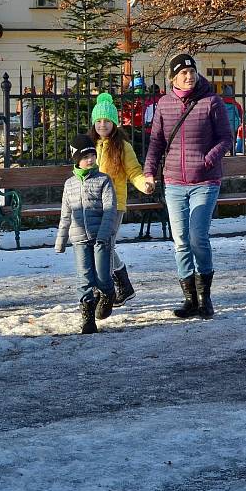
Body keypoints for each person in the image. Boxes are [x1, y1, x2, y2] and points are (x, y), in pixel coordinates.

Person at [143, 53, 233, 319]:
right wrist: (149, 172)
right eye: (183, 73)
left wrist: (209, 158)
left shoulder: (211, 102)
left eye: (192, 72)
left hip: (205, 181)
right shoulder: (164, 104)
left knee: (197, 237)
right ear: (173, 78)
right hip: (173, 182)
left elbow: (227, 138)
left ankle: (206, 297)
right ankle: (190, 298)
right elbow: (156, 143)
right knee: (180, 241)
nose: (189, 76)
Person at [88, 93, 154, 307]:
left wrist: (144, 183)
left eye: (107, 121)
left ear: (114, 123)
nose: (102, 125)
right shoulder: (89, 145)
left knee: (105, 246)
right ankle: (123, 285)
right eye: (98, 121)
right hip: (90, 204)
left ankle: (104, 291)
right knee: (99, 246)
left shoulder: (122, 146)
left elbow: (134, 171)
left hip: (114, 205)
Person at [55, 134, 118, 334]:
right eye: (85, 156)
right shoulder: (69, 184)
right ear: (76, 159)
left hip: (101, 238)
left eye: (92, 154)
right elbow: (65, 214)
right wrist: (61, 240)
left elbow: (110, 209)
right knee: (84, 278)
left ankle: (108, 294)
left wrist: (104, 234)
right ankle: (88, 319)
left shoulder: (104, 180)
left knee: (102, 278)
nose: (90, 159)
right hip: (79, 238)